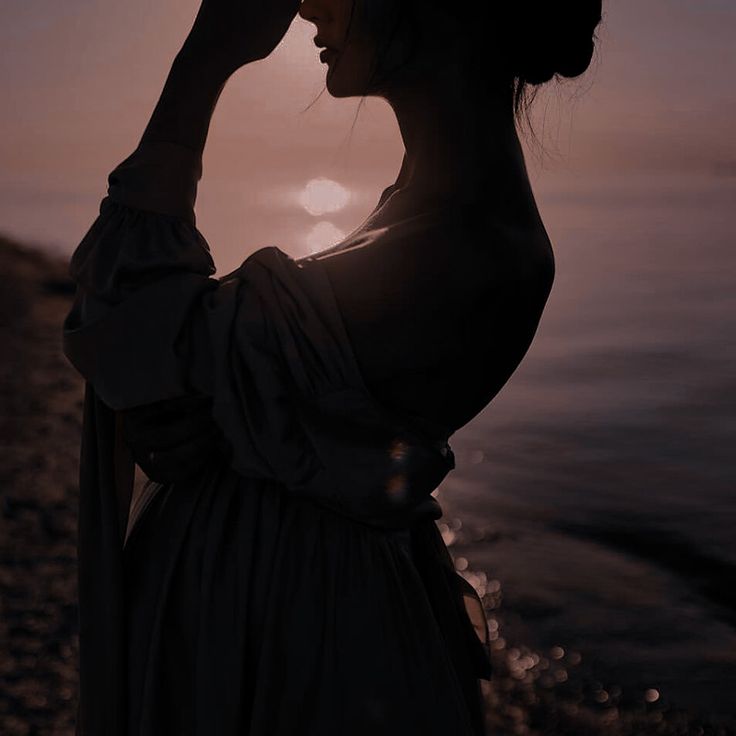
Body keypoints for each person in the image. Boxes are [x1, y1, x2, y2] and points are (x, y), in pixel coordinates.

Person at [61, 0, 603, 734]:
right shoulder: (419, 211)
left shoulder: (472, 250)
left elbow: (127, 322)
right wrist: (219, 416)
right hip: (276, 620)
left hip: (307, 647)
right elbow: (167, 370)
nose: (309, 3)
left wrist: (206, 58)